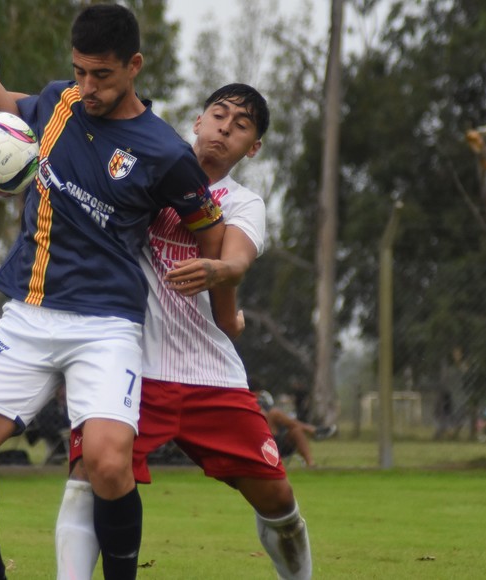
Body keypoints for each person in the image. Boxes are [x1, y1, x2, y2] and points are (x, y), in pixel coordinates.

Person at [0, 6, 225, 580]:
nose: (87, 88)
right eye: (78, 72)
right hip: (29, 314)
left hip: (107, 325)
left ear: (134, 66)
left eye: (102, 75)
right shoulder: (62, 101)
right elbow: (16, 110)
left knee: (108, 464)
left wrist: (218, 273)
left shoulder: (165, 152)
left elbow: (211, 229)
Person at [57, 84, 313, 580]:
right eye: (218, 115)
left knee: (278, 498)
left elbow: (236, 258)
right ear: (197, 121)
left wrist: (221, 272)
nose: (224, 128)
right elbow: (54, 114)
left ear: (252, 147)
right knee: (89, 473)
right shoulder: (148, 169)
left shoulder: (243, 202)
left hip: (210, 375)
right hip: (129, 365)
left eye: (241, 126)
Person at [257, 390, 337, 467]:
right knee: (274, 413)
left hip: (277, 442)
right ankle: (313, 431)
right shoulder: (250, 405)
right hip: (262, 444)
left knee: (296, 430)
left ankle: (311, 465)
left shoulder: (260, 400)